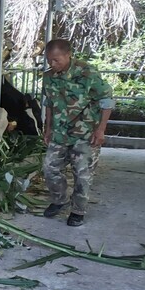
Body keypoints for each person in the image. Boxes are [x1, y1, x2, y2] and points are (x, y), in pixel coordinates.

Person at [40, 39, 114, 226]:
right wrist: (47, 129)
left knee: (82, 174)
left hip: (85, 134)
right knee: (49, 168)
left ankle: (78, 211)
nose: (52, 64)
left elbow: (107, 101)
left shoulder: (88, 73)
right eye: (49, 60)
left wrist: (101, 130)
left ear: (68, 55)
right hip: (59, 133)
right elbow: (49, 104)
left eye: (56, 60)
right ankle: (60, 200)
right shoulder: (48, 77)